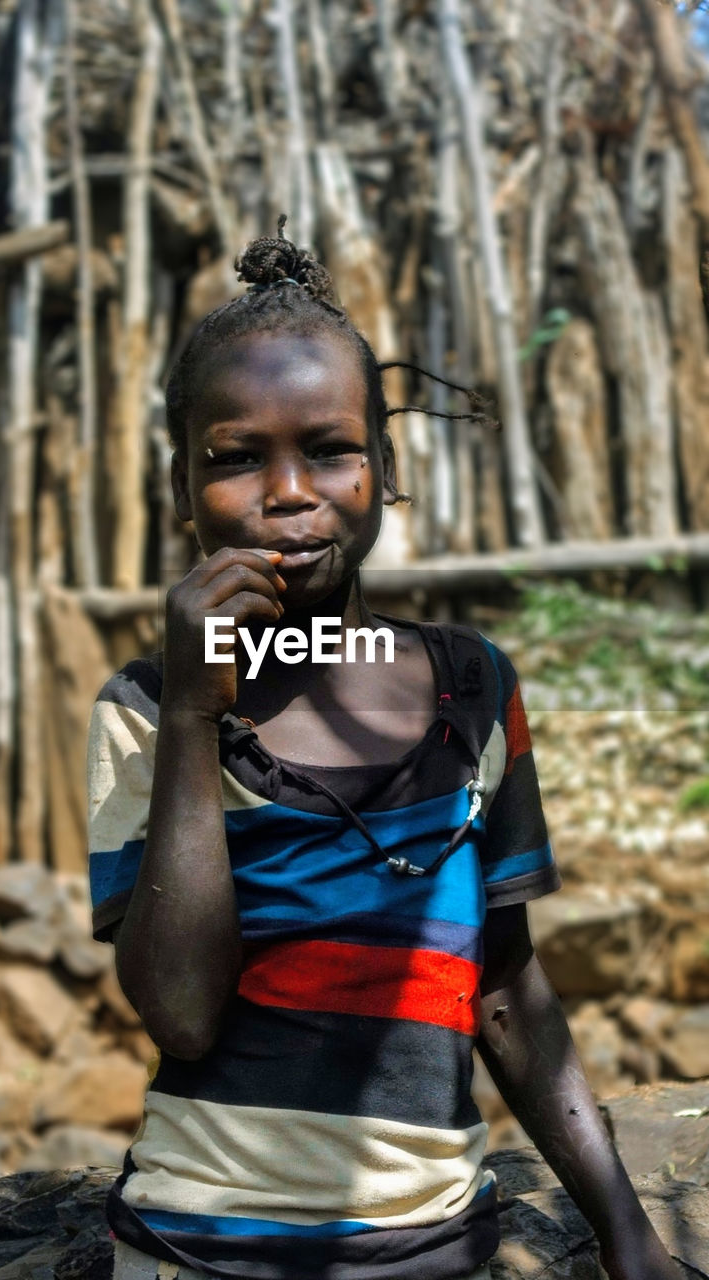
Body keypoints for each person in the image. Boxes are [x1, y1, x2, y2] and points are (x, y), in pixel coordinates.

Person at [87, 225, 679, 1280]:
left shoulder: (469, 686)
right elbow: (177, 1011)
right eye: (233, 458)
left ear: (383, 468)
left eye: (328, 448)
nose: (286, 492)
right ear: (181, 487)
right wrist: (190, 712)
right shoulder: (143, 704)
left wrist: (626, 1234)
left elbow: (502, 986)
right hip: (195, 1248)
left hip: (434, 1248)